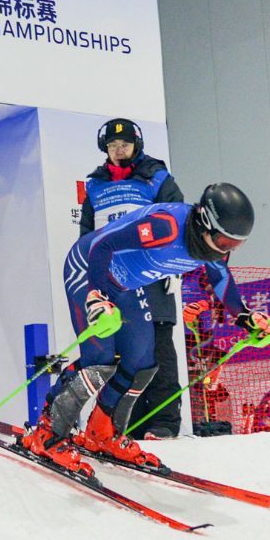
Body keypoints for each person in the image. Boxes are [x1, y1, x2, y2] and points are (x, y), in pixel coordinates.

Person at [23, 183, 270, 476]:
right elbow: (101, 246)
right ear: (206, 222)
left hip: (126, 284)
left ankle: (102, 433)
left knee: (143, 363)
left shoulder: (213, 247)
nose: (226, 249)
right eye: (224, 241)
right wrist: (96, 296)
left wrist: (244, 316)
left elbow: (220, 276)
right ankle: (47, 434)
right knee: (100, 361)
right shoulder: (165, 227)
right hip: (89, 269)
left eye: (235, 244)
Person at [79, 118, 185, 439]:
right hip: (113, 280)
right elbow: (87, 236)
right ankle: (129, 425)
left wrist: (173, 267)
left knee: (159, 350)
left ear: (136, 146)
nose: (119, 151)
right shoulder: (95, 187)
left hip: (151, 274)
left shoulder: (156, 178)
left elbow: (179, 219)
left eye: (124, 145)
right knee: (125, 351)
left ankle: (164, 422)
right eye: (112, 146)